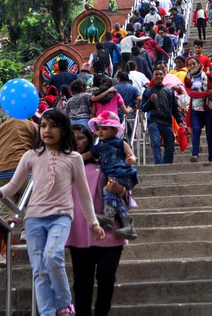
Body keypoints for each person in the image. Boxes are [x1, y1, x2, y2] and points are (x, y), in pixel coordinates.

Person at [0, 109, 105, 316]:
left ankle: (65, 304)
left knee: (53, 255)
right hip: (33, 219)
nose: (47, 130)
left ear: (63, 130)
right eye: (44, 125)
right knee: (39, 270)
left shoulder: (74, 158)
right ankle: (47, 313)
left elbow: (84, 194)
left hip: (62, 216)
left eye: (54, 126)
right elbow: (13, 185)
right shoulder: (31, 156)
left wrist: (93, 222)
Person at [66, 125, 129, 316]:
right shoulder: (65, 167)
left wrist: (120, 190)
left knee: (107, 277)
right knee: (81, 280)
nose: (77, 142)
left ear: (90, 140)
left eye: (81, 138)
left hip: (109, 228)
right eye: (73, 138)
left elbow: (125, 190)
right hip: (79, 230)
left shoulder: (106, 161)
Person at [0, 118, 37, 261]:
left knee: (4, 215)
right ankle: (27, 232)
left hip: (0, 172)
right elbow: (39, 148)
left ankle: (2, 254)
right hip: (25, 171)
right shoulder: (31, 125)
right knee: (30, 202)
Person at [86, 112, 138, 239]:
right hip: (113, 174)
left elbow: (131, 155)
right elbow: (86, 155)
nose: (100, 132)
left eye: (104, 129)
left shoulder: (120, 142)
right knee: (113, 196)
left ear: (114, 130)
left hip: (123, 173)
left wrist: (131, 159)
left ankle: (108, 217)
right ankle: (127, 226)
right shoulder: (99, 146)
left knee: (108, 189)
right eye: (98, 129)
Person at [140, 66, 185, 164]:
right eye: (156, 74)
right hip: (153, 121)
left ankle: (167, 165)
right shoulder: (148, 91)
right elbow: (143, 108)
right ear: (152, 76)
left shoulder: (169, 91)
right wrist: (150, 101)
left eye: (161, 74)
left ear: (164, 76)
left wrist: (180, 120)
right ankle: (158, 164)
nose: (159, 76)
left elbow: (175, 108)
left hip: (167, 122)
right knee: (156, 143)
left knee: (170, 146)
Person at [183, 57, 212, 163]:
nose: (192, 66)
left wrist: (211, 94)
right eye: (190, 65)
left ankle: (211, 158)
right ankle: (195, 155)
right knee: (196, 130)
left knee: (209, 133)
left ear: (198, 64)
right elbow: (191, 93)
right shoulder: (188, 79)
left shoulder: (207, 76)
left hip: (208, 107)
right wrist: (206, 93)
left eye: (194, 64)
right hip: (195, 109)